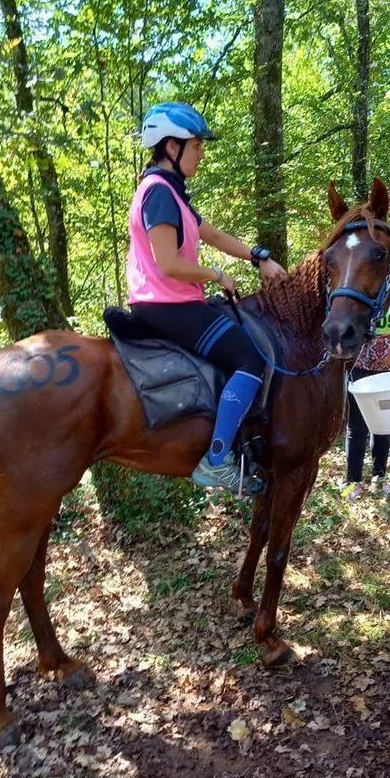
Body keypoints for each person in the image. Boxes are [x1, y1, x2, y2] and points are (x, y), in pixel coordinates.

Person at [125, 101, 286, 491]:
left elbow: (212, 235)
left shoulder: (172, 194)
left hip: (171, 302)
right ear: (171, 147)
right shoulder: (159, 194)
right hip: (168, 305)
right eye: (196, 145)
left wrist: (257, 256)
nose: (202, 153)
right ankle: (216, 459)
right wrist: (216, 274)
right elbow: (168, 263)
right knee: (250, 359)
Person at [343, 278, 390, 500]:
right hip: (359, 366)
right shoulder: (358, 283)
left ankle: (379, 477)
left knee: (384, 424)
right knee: (357, 426)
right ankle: (352, 481)